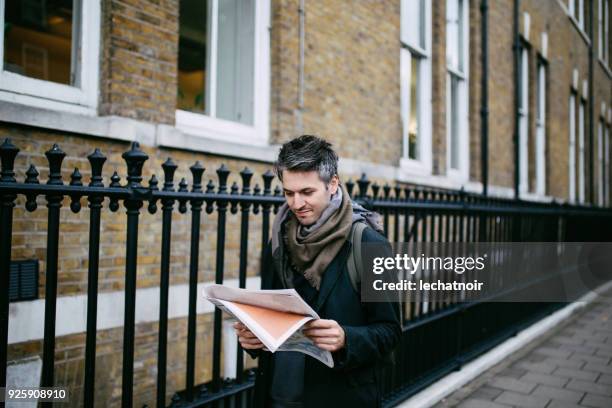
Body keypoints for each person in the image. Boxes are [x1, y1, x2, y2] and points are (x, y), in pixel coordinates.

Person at [234, 135, 401, 408]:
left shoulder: (370, 244)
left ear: (332, 184)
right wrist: (253, 338)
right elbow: (272, 317)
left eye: (307, 192)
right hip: (277, 396)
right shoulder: (278, 241)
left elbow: (390, 332)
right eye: (289, 193)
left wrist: (347, 338)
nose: (296, 204)